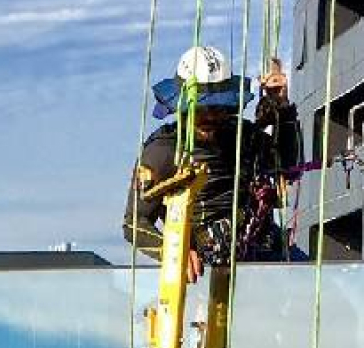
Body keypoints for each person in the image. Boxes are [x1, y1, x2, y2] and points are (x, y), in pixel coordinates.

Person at [124, 45, 303, 275]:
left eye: (219, 107)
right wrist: (172, 251)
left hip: (267, 253)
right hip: (205, 267)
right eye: (201, 107)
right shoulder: (164, 149)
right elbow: (133, 222)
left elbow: (290, 169)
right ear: (182, 106)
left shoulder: (244, 136)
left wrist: (284, 111)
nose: (210, 116)